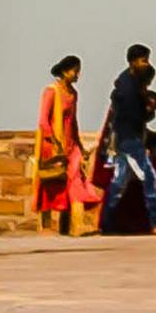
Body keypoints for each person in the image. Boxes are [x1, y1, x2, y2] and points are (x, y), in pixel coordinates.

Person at [98, 45, 156, 233]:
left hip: (122, 137)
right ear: (133, 62)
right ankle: (155, 221)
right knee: (149, 175)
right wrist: (148, 110)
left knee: (119, 182)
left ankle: (106, 223)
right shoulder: (128, 87)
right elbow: (130, 116)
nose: (146, 64)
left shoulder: (129, 83)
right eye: (144, 60)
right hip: (128, 137)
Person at [30, 55, 96, 241]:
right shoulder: (51, 91)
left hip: (71, 145)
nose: (77, 74)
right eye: (75, 70)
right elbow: (43, 120)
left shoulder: (73, 94)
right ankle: (49, 225)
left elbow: (73, 121)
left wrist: (80, 145)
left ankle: (77, 225)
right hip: (52, 146)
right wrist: (54, 141)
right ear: (65, 71)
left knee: (76, 182)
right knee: (50, 184)